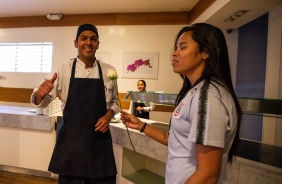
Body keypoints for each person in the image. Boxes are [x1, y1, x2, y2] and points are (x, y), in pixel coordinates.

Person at [121, 23, 242, 184]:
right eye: (176, 48)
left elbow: (207, 175)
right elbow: (174, 139)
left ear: (205, 52)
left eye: (182, 48)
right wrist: (141, 125)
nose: (174, 53)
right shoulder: (195, 91)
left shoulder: (208, 96)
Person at [30, 23, 119, 184]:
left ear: (98, 43)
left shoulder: (108, 71)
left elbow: (115, 102)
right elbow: (41, 102)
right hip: (71, 144)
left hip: (99, 144)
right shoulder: (62, 69)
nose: (88, 42)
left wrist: (108, 115)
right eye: (84, 38)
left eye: (93, 39)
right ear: (76, 43)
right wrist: (40, 94)